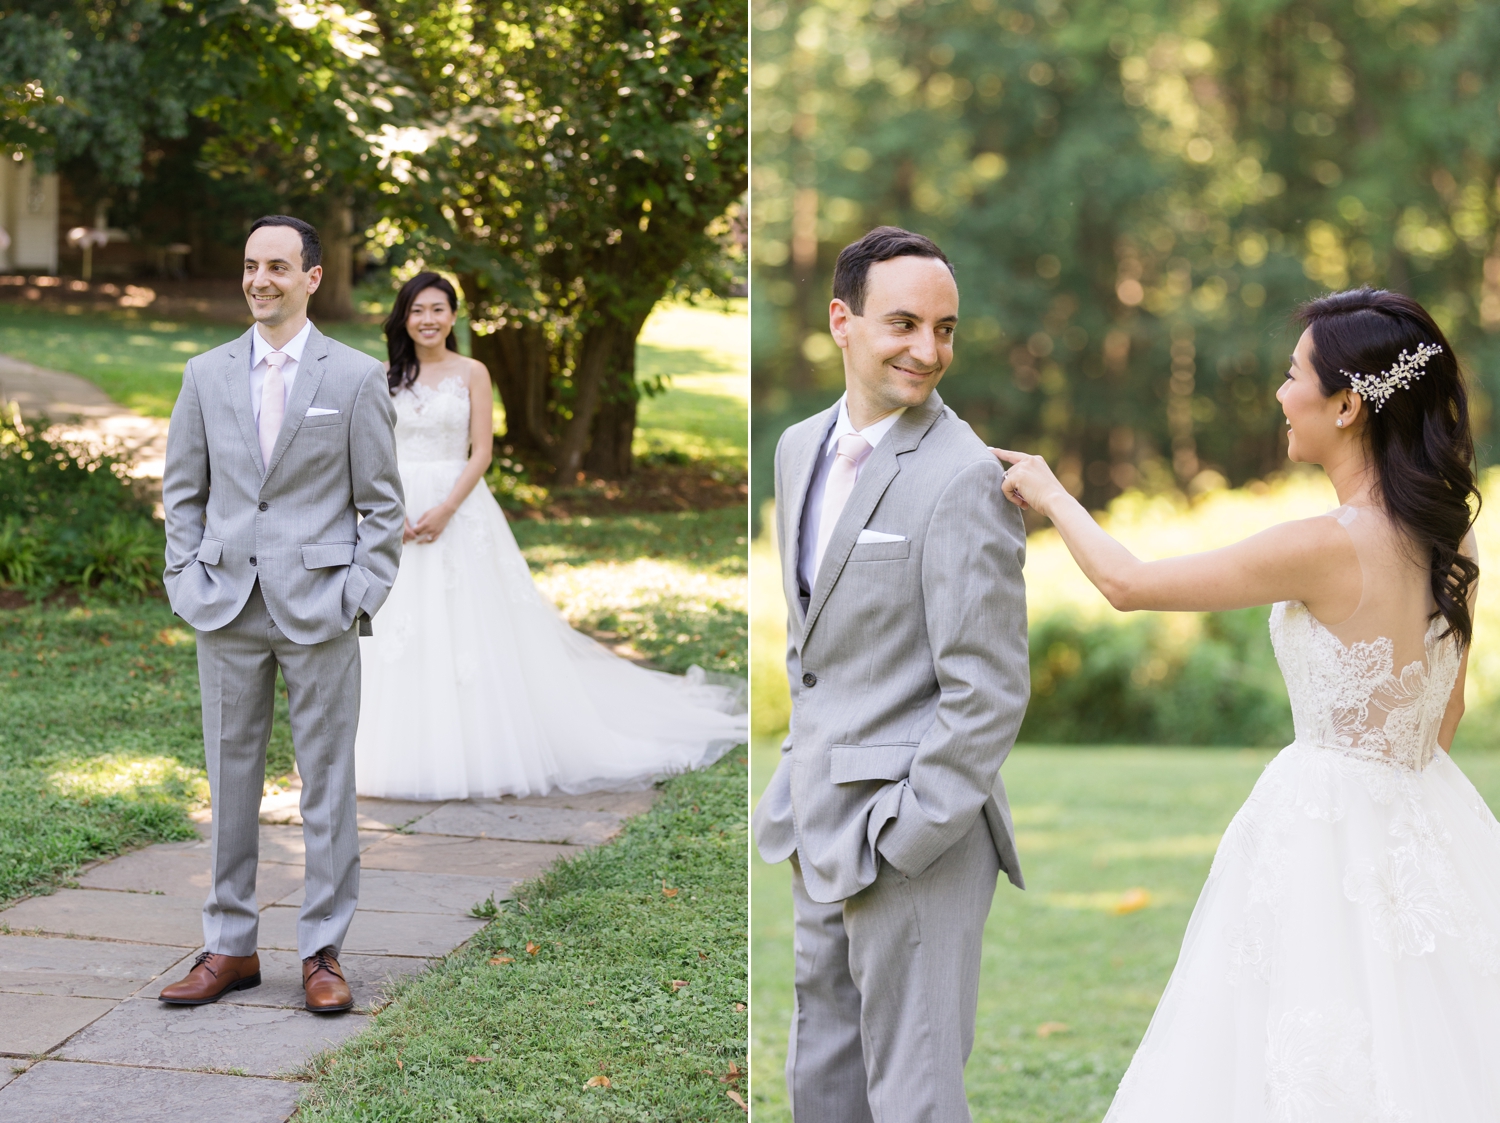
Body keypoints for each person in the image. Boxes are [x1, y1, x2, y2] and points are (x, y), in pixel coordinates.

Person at [995, 288, 1499, 1120]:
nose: (1278, 393)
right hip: (1429, 823)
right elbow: (1445, 720)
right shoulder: (1454, 538)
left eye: (1292, 373)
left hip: (1321, 828)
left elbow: (1128, 583)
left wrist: (1051, 494)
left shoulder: (1324, 543)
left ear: (1345, 404)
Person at [751, 227, 1030, 1123]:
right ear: (842, 320)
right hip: (819, 816)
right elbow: (815, 646)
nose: (929, 349)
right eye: (904, 323)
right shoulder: (797, 447)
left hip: (915, 835)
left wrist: (907, 833)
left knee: (913, 1099)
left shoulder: (963, 478)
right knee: (823, 1080)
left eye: (946, 328)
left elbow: (987, 690)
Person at [353, 272, 744, 800]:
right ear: (403, 316)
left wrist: (445, 508)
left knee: (473, 629)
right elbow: (373, 451)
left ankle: (479, 750)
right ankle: (385, 752)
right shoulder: (381, 376)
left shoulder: (473, 371)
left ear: (453, 316)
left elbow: (482, 452)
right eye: (417, 309)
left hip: (459, 507)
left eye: (438, 309)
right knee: (395, 631)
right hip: (394, 512)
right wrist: (391, 509)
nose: (428, 319)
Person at [158, 215, 405, 1013]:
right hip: (225, 605)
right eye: (249, 266)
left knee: (326, 785)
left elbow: (383, 506)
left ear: (312, 277)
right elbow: (182, 491)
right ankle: (229, 946)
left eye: (276, 266)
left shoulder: (356, 377)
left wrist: (358, 594)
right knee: (229, 782)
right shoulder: (205, 372)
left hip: (321, 609)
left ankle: (322, 950)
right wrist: (185, 577)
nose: (259, 279)